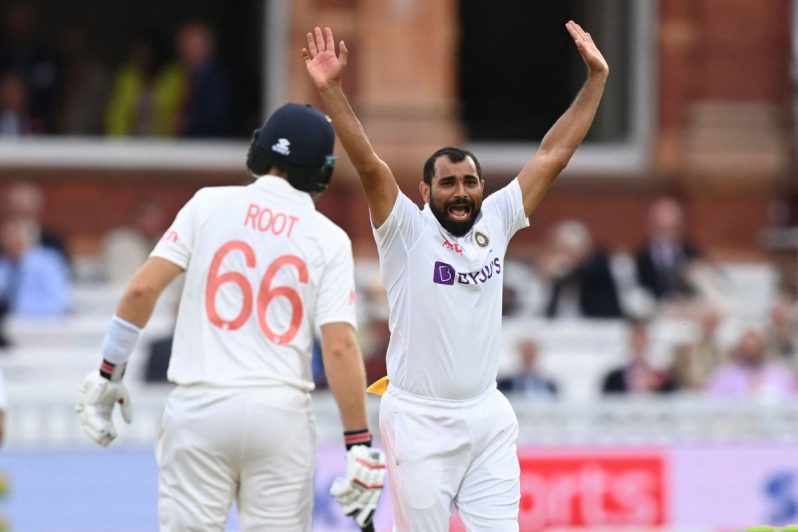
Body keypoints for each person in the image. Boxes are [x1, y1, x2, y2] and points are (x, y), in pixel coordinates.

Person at [303, 22, 608, 531]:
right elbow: (371, 166)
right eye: (447, 183)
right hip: (419, 421)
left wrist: (596, 80)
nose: (460, 191)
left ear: (483, 186)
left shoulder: (499, 218)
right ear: (425, 192)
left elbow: (553, 153)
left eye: (469, 181)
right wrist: (332, 93)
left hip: (487, 415)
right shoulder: (404, 231)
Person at [76, 103, 385, 531]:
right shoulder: (328, 238)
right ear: (322, 171)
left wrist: (108, 372)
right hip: (281, 414)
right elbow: (338, 345)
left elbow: (142, 289)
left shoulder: (207, 204)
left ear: (259, 150)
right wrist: (358, 443)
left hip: (200, 405)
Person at [539, 219, 623, 319]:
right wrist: (543, 278)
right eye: (559, 250)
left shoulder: (600, 270)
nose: (564, 257)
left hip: (594, 328)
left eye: (569, 251)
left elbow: (590, 271)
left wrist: (568, 267)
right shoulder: (552, 276)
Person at [635, 195, 701, 302]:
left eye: (671, 212)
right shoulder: (641, 255)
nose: (667, 218)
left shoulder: (692, 252)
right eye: (663, 212)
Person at [601, 318, 675, 395]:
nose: (639, 342)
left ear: (650, 341)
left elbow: (669, 400)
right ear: (627, 341)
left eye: (643, 338)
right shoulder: (613, 378)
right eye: (634, 339)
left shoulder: (663, 377)